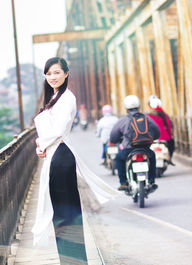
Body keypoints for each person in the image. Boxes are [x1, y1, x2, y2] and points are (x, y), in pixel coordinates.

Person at [32, 57, 119, 264]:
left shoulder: (67, 98)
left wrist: (40, 142)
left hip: (61, 158)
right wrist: (42, 146)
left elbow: (60, 129)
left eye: (56, 72)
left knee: (66, 215)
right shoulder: (54, 97)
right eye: (49, 73)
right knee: (61, 215)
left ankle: (74, 261)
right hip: (56, 155)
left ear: (66, 74)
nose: (52, 77)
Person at [110, 95, 160, 191]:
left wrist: (114, 141)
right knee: (152, 156)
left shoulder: (123, 120)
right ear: (138, 106)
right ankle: (151, 180)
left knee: (119, 158)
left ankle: (123, 183)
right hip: (145, 149)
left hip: (129, 150)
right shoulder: (146, 118)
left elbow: (113, 136)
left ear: (126, 108)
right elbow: (157, 132)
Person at [146, 95, 175, 163]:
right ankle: (169, 158)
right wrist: (170, 136)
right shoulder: (164, 115)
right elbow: (169, 126)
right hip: (164, 138)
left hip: (151, 138)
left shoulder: (147, 116)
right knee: (172, 145)